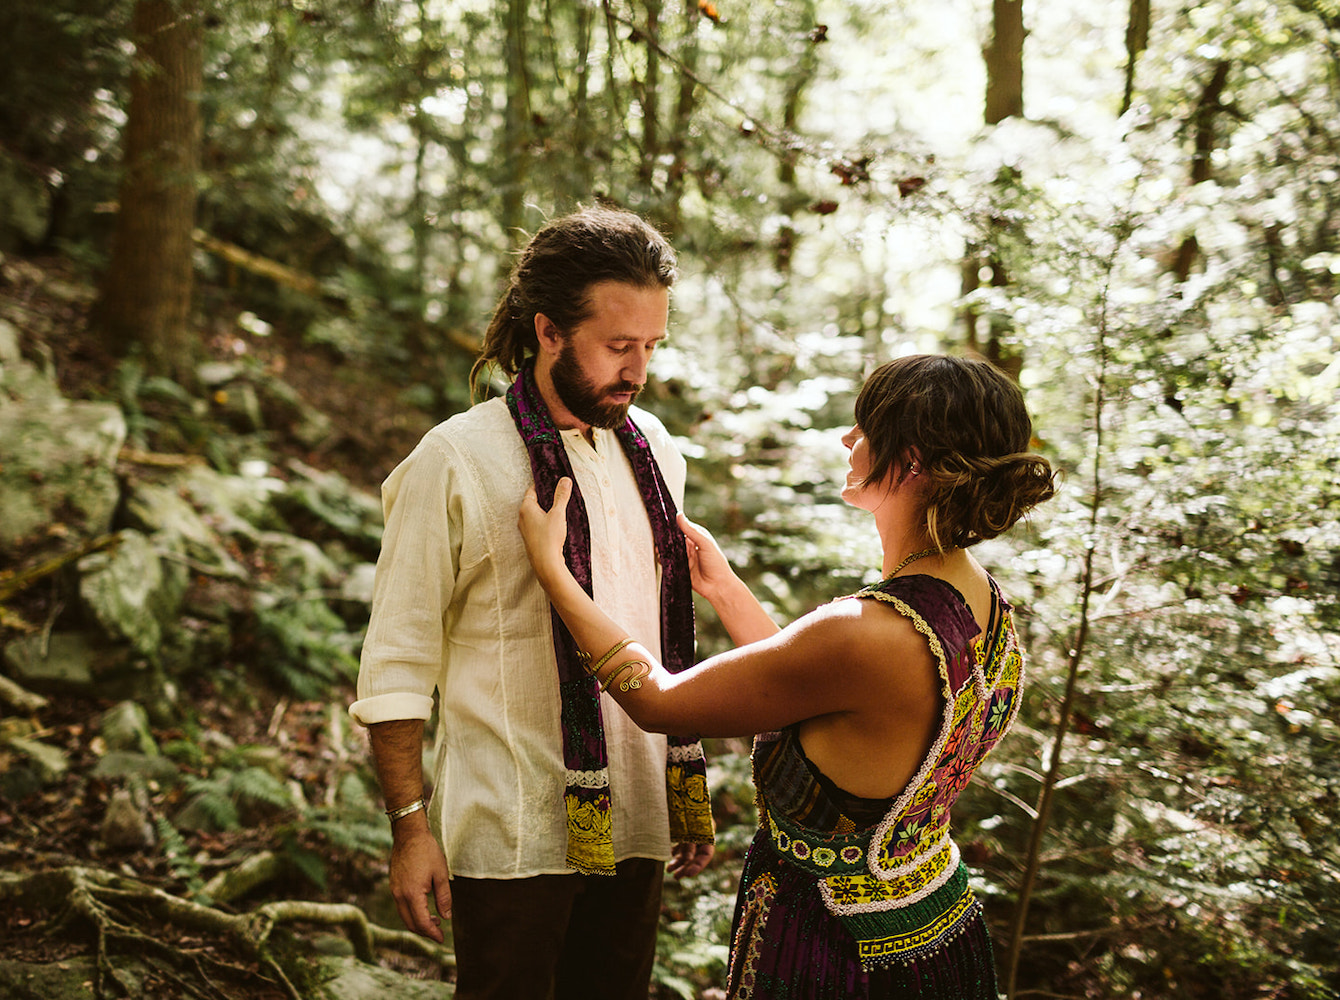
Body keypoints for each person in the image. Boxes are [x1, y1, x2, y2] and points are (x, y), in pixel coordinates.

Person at [519, 353, 1058, 999]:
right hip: (935, 926)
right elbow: (824, 698)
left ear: (911, 460)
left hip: (837, 954)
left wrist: (556, 574)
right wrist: (724, 588)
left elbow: (660, 703)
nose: (846, 440)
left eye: (864, 428)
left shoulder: (867, 631)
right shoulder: (983, 601)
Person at [349, 205, 716, 1000]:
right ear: (548, 331)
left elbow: (654, 636)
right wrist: (409, 828)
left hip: (640, 818)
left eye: (651, 345)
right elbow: (395, 665)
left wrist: (684, 796)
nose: (638, 369)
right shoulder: (454, 460)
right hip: (513, 832)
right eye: (618, 346)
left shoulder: (654, 448)